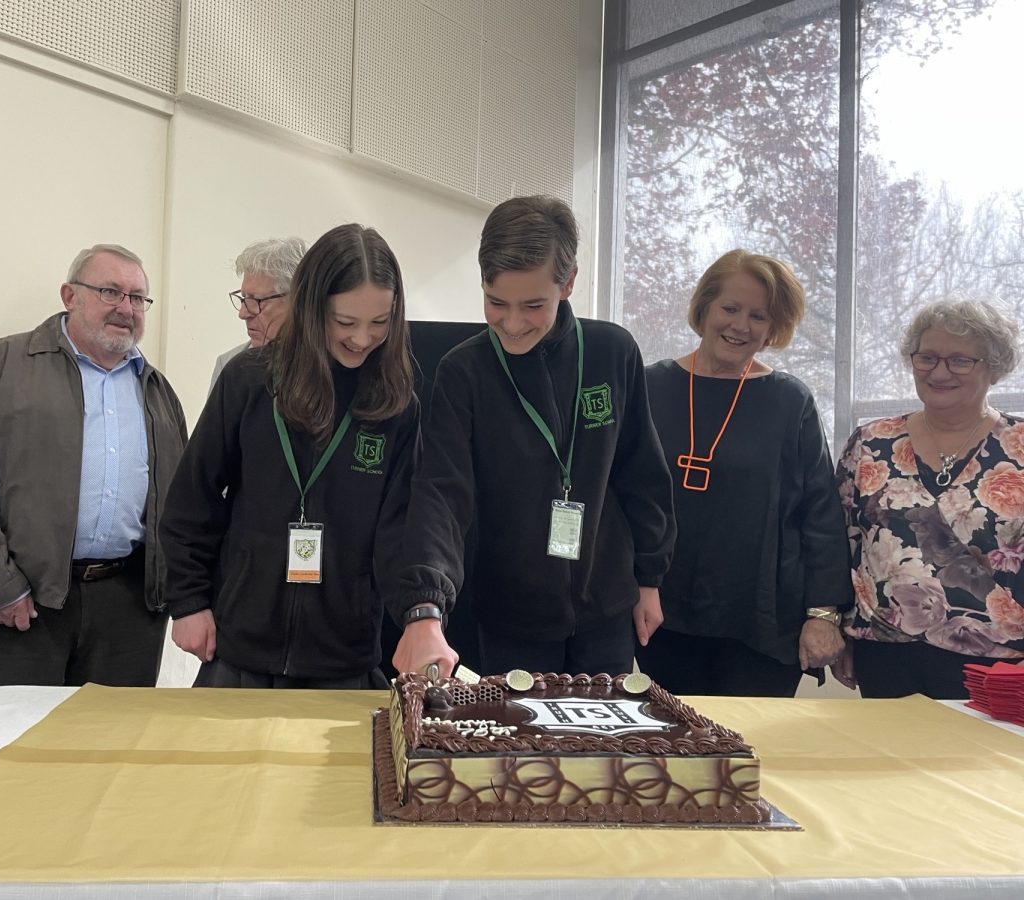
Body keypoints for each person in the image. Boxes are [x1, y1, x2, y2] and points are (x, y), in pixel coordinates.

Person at [392, 195, 675, 678]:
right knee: (520, 747)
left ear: (568, 283)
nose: (514, 322)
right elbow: (441, 493)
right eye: (496, 302)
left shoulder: (612, 351)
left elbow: (641, 472)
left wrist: (649, 579)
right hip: (510, 613)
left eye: (533, 304)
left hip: (605, 605)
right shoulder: (463, 371)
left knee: (598, 745)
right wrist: (425, 603)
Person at [160, 224, 418, 688]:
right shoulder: (248, 379)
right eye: (345, 322)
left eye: (379, 323)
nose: (362, 339)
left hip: (342, 658)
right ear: (312, 305)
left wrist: (421, 618)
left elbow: (400, 531)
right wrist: (189, 601)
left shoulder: (394, 404)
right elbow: (191, 498)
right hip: (239, 649)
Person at [0, 244, 187, 699]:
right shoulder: (3, 365)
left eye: (138, 298)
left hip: (128, 613)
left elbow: (180, 501)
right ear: (69, 295)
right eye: (110, 291)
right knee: (10, 754)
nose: (126, 308)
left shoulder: (156, 390)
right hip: (22, 605)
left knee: (110, 757)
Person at [636, 250, 851, 697]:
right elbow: (621, 498)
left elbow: (820, 515)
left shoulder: (790, 401)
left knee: (750, 756)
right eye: (730, 308)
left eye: (759, 316)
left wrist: (824, 614)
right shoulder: (648, 386)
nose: (740, 326)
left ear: (775, 328)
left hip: (761, 621)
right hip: (658, 614)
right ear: (705, 308)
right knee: (672, 752)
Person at [833, 298, 1024, 698]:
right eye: (927, 358)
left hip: (1001, 664)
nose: (939, 372)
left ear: (993, 367)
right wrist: (838, 626)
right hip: (885, 653)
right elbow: (839, 542)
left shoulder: (1019, 446)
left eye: (959, 360)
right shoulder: (871, 442)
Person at [210, 237, 307, 387]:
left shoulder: (331, 364)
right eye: (244, 298)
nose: (243, 314)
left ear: (296, 301)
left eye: (257, 300)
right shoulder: (228, 366)